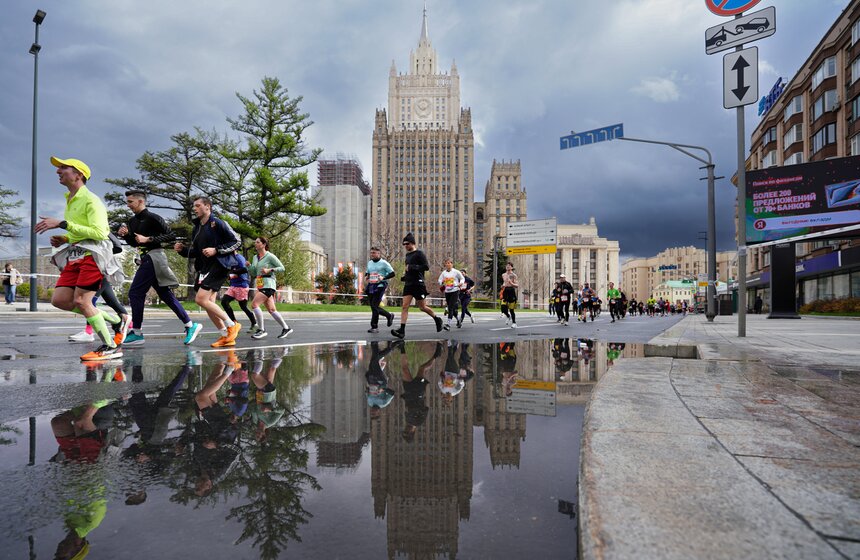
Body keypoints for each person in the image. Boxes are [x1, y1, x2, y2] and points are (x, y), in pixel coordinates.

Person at [35, 157, 124, 361]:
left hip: (93, 256)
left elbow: (101, 232)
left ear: (79, 175)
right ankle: (114, 319)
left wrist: (63, 224)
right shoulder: (71, 198)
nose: (58, 171)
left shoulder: (91, 200)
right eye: (58, 168)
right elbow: (81, 232)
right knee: (60, 300)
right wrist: (65, 238)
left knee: (82, 301)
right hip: (76, 256)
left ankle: (111, 347)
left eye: (64, 167)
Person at [118, 190, 201, 346]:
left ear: (141, 202)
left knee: (135, 292)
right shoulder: (132, 221)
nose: (127, 205)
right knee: (165, 294)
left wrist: (149, 238)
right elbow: (136, 243)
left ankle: (136, 332)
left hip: (154, 257)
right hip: (145, 259)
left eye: (130, 202)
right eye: (127, 201)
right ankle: (190, 325)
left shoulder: (153, 218)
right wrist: (126, 236)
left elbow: (171, 236)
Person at [174, 196, 242, 348]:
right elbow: (197, 251)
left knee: (200, 299)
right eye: (194, 206)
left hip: (220, 264)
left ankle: (232, 325)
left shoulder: (217, 223)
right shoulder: (197, 228)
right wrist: (182, 250)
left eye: (198, 205)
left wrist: (216, 250)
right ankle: (225, 335)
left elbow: (237, 241)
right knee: (208, 302)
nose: (195, 208)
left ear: (208, 207)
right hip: (205, 268)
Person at [391, 233, 443, 339]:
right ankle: (402, 330)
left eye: (407, 243)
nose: (405, 245)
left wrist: (412, 267)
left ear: (413, 243)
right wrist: (405, 276)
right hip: (409, 284)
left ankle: (437, 319)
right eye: (404, 244)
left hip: (418, 284)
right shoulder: (407, 255)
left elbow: (426, 267)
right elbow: (408, 269)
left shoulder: (419, 253)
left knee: (422, 307)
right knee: (405, 306)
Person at [248, 236, 292, 339]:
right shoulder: (255, 257)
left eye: (258, 242)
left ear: (263, 245)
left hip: (269, 284)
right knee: (272, 310)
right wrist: (249, 266)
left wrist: (270, 270)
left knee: (254, 304)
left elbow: (282, 268)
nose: (255, 244)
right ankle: (286, 328)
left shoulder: (270, 256)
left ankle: (261, 330)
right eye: (255, 242)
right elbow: (254, 272)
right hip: (260, 284)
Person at [221, 253, 257, 334]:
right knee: (224, 302)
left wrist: (232, 272)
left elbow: (244, 269)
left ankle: (254, 323)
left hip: (242, 285)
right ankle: (234, 323)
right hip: (233, 285)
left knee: (243, 307)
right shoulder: (230, 258)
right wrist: (229, 275)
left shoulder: (239, 258)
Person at [365, 246, 396, 334]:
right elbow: (368, 272)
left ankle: (374, 326)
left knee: (374, 306)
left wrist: (383, 277)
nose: (372, 254)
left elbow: (393, 273)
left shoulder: (384, 263)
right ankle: (389, 315)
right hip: (371, 285)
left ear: (379, 254)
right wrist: (366, 276)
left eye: (374, 253)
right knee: (373, 307)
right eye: (371, 253)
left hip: (380, 285)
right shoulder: (370, 262)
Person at [438, 258, 465, 330]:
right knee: (451, 308)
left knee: (450, 307)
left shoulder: (456, 272)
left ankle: (448, 324)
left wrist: (461, 283)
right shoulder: (444, 273)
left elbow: (462, 278)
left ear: (452, 264)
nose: (448, 264)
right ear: (445, 265)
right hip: (447, 291)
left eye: (449, 263)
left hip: (455, 290)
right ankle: (458, 319)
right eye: (446, 263)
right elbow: (439, 280)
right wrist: (442, 282)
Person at [500, 262, 519, 328]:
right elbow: (504, 283)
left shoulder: (514, 275)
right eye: (507, 265)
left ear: (511, 267)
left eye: (509, 266)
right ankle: (508, 316)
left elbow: (517, 285)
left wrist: (511, 283)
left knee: (511, 309)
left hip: (511, 291)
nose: (507, 266)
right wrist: (503, 286)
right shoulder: (503, 275)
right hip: (505, 290)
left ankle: (514, 323)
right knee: (503, 307)